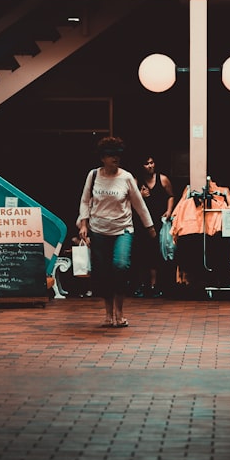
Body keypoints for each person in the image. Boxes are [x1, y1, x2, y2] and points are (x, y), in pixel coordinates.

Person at [77, 136, 156, 327]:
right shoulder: (93, 175)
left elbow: (139, 204)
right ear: (102, 158)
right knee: (103, 273)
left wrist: (150, 227)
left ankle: (120, 313)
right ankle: (108, 314)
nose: (115, 159)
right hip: (98, 230)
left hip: (122, 230)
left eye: (117, 156)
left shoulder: (126, 177)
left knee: (120, 266)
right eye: (111, 156)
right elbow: (85, 200)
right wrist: (84, 224)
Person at [132, 154, 175, 298]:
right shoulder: (136, 181)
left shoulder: (162, 179)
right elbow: (128, 200)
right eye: (146, 163)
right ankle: (141, 285)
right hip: (141, 222)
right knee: (141, 254)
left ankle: (154, 285)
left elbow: (171, 195)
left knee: (155, 254)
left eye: (152, 162)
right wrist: (140, 195)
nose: (150, 166)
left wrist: (169, 211)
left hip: (157, 221)